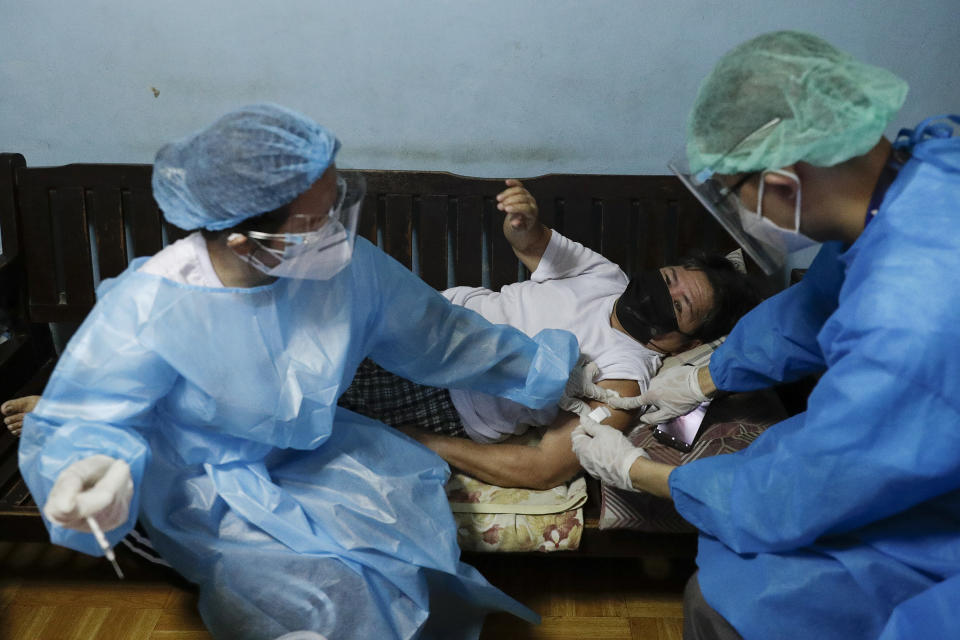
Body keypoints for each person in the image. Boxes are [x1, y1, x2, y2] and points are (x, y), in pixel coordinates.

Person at [16, 103, 601, 640]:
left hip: (313, 450)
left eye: (336, 207)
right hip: (201, 483)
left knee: (401, 544)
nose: (337, 233)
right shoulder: (152, 306)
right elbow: (89, 420)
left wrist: (549, 369)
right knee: (322, 595)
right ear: (244, 239)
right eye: (315, 221)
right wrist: (88, 473)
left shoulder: (343, 267)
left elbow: (442, 335)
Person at [572, 31, 960, 640]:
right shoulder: (924, 171)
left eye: (734, 194)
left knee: (733, 599)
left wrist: (638, 469)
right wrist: (704, 375)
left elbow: (799, 493)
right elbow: (813, 306)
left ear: (781, 184)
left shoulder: (912, 318)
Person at [338, 180, 761, 490]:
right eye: (668, 278)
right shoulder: (605, 276)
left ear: (688, 343)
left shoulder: (623, 378)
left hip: (446, 393)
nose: (663, 293)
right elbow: (529, 241)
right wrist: (522, 219)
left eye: (680, 305)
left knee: (315, 401)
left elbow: (546, 467)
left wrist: (424, 442)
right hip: (427, 320)